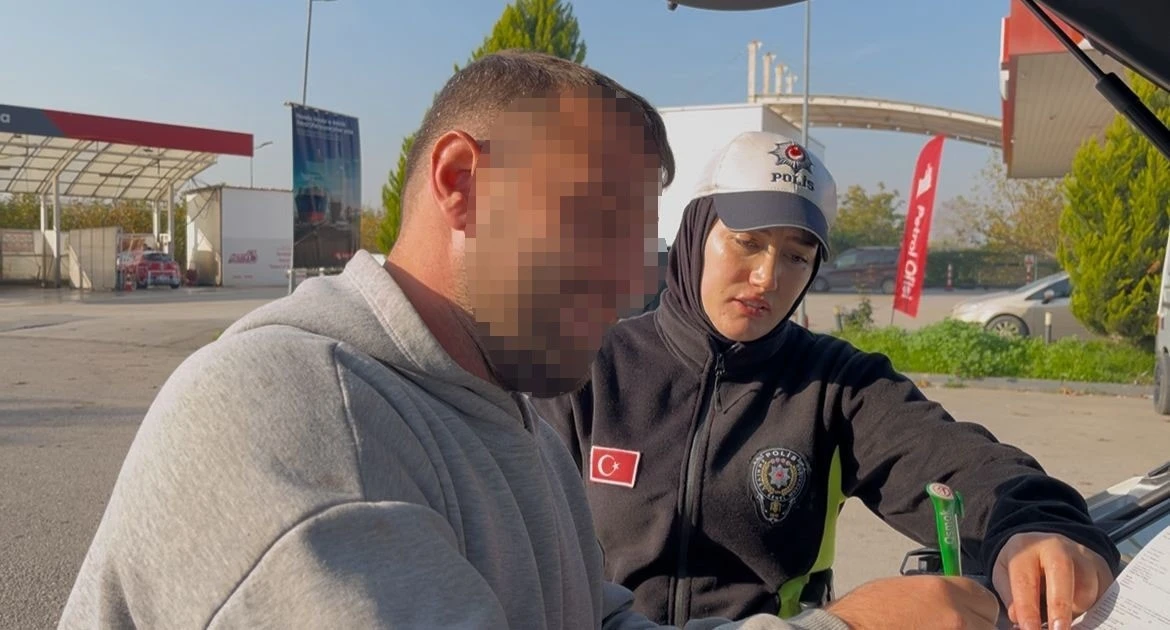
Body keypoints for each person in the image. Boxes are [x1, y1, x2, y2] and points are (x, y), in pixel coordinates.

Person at [60, 53, 999, 630]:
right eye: (596, 220)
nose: (630, 279)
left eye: (638, 236)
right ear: (461, 182)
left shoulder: (511, 414)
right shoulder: (290, 409)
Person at [528, 130, 1120, 630]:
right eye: (747, 242)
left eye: (796, 255)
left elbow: (963, 465)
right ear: (695, 234)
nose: (767, 277)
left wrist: (1035, 524)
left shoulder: (837, 384)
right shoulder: (591, 367)